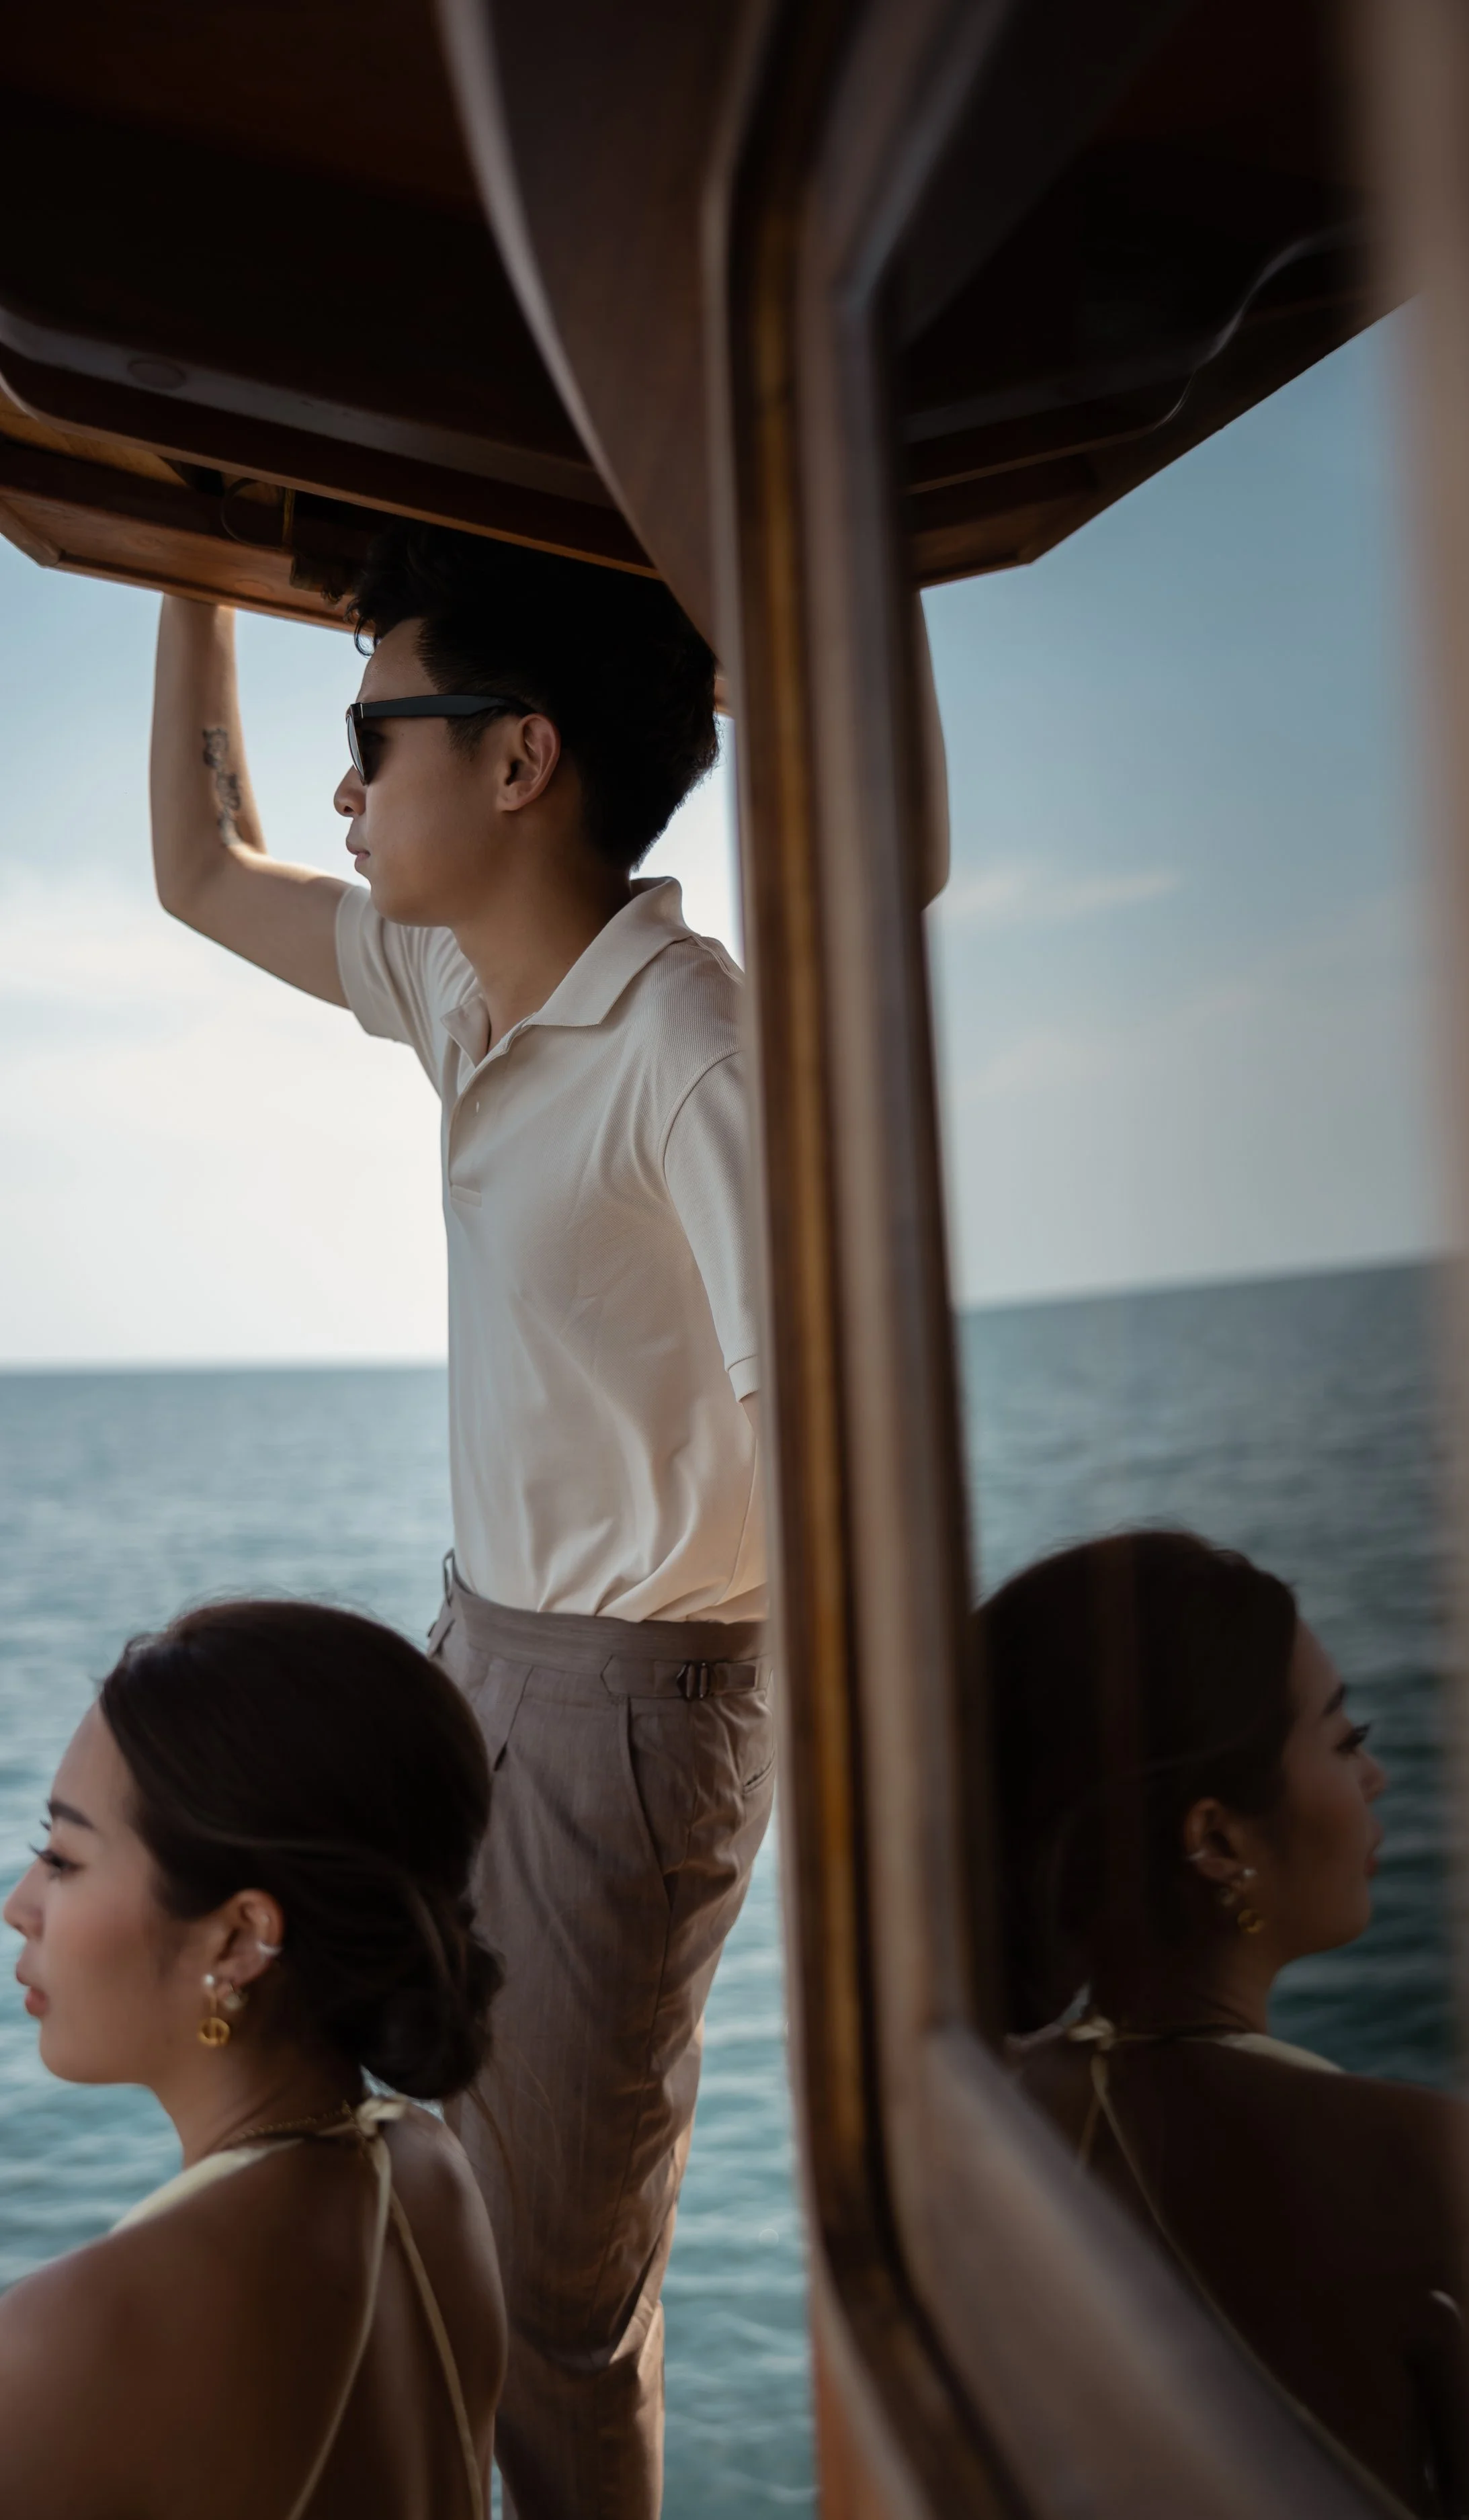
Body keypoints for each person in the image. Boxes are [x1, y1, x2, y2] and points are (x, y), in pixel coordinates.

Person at [148, 530, 774, 2516]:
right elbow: (200, 869)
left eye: (373, 739)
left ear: (519, 759)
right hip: (477, 1654)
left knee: (555, 2312)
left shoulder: (684, 1044)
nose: (345, 789)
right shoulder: (465, 988)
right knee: (391, 2182)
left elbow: (826, 1440)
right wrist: (186, 572)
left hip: (636, 1711)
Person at [982, 1529, 1469, 2519]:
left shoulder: (997, 2093)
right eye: (1345, 1740)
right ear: (1216, 1839)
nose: (1375, 1779)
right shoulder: (1423, 2161)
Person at [0, 1599, 505, 2519]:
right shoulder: (430, 2175)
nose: (19, 1904)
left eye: (62, 1857)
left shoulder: (81, 2330)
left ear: (239, 1940)